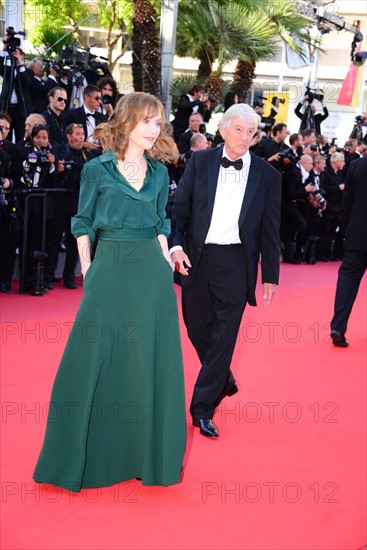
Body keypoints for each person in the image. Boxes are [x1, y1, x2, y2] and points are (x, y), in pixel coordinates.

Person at [33, 92, 186, 489]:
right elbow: (83, 222)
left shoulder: (158, 173)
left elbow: (161, 224)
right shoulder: (97, 169)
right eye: (148, 121)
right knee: (90, 362)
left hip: (152, 276)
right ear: (128, 121)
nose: (154, 130)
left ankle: (145, 456)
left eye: (159, 124)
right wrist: (90, 272)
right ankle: (77, 459)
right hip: (109, 269)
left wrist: (166, 268)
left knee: (147, 365)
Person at [171, 103, 281, 438]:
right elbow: (180, 209)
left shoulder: (268, 175)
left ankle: (202, 408)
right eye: (239, 130)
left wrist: (271, 275)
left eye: (251, 132)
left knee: (224, 335)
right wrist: (176, 247)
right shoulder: (200, 162)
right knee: (196, 329)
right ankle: (223, 378)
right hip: (197, 259)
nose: (246, 137)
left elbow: (270, 228)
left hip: (237, 263)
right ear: (222, 130)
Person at [330, 156, 367, 347]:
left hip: (357, 235)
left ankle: (337, 327)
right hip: (356, 234)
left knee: (347, 280)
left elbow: (347, 202)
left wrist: (346, 231)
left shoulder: (356, 165)